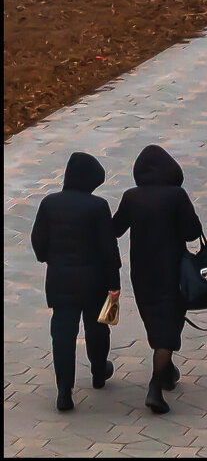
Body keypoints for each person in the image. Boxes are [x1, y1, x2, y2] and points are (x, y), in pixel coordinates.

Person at [112, 145, 202, 414]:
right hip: (172, 271)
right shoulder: (177, 195)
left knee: (155, 320)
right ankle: (155, 385)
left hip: (141, 272)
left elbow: (114, 229)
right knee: (169, 323)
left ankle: (166, 372)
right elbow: (191, 233)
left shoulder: (131, 197)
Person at [31, 152, 122, 412]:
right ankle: (98, 370)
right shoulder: (98, 206)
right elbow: (109, 248)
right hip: (94, 282)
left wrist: (50, 258)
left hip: (60, 281)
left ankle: (64, 391)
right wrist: (114, 283)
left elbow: (38, 241)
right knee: (98, 328)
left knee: (62, 334)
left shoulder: (49, 204)